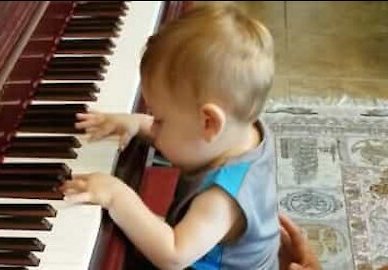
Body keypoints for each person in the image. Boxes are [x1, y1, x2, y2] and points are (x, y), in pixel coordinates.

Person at [61, 3, 280, 269]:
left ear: (209, 123)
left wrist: (116, 195)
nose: (153, 126)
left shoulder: (222, 200)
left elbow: (173, 254)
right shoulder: (240, 132)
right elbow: (188, 134)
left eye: (160, 120)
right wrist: (135, 124)